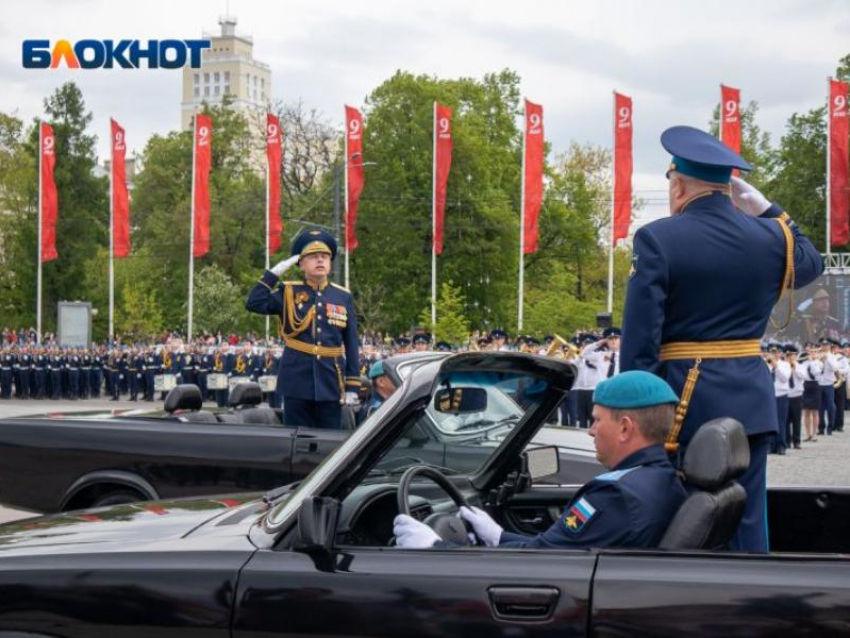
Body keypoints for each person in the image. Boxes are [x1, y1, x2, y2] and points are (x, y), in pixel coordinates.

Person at [620, 125, 824, 552]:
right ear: (730, 188)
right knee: (747, 517)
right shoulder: (771, 237)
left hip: (684, 402)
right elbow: (810, 263)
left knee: (682, 517)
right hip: (750, 397)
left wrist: (633, 413)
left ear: (677, 184)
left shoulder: (657, 238)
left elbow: (641, 340)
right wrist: (771, 210)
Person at [393, 371, 688, 549]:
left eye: (597, 420)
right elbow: (554, 550)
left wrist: (437, 547)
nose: (590, 431)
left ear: (625, 427)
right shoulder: (663, 480)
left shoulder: (616, 495)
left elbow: (542, 561)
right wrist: (498, 536)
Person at [246, 228, 360, 429]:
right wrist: (274, 273)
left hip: (331, 382)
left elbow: (351, 344)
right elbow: (254, 303)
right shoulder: (289, 291)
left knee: (329, 443)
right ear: (301, 263)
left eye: (324, 256)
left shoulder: (342, 296)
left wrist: (352, 385)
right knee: (296, 441)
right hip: (296, 381)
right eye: (313, 257)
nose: (320, 261)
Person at [800, 342, 822, 442]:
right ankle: (808, 434)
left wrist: (813, 361)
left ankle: (814, 434)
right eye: (810, 351)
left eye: (814, 351)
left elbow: (816, 373)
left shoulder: (819, 363)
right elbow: (802, 374)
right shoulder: (803, 362)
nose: (812, 353)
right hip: (805, 385)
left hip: (815, 385)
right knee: (806, 412)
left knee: (815, 412)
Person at [785, 344, 804, 450]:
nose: (790, 357)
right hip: (786, 395)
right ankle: (787, 441)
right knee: (786, 420)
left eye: (792, 355)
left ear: (796, 356)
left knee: (797, 420)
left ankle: (797, 441)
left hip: (797, 395)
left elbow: (803, 376)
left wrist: (795, 368)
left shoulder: (800, 366)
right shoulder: (782, 365)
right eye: (788, 355)